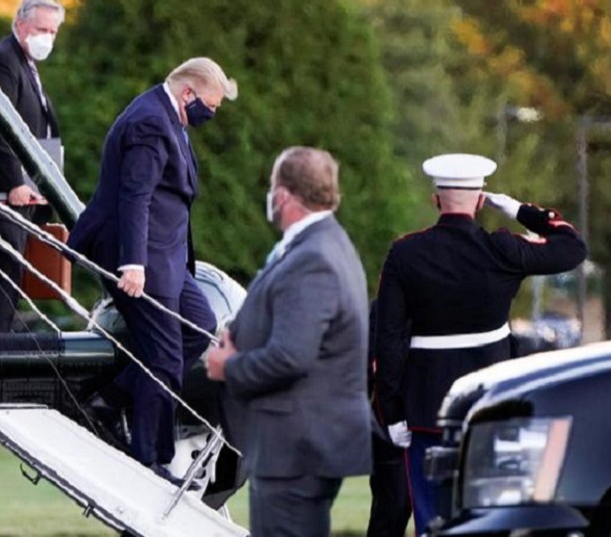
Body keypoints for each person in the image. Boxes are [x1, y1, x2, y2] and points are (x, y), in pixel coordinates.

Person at [373, 153, 587, 536]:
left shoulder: (405, 253)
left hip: (426, 409)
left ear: (435, 199)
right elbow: (572, 247)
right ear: (480, 199)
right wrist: (522, 210)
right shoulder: (503, 249)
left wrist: (390, 412)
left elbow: (387, 339)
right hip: (492, 405)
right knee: (488, 520)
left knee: (432, 521)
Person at [68, 57, 237, 483]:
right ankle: (148, 461)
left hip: (169, 258)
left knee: (200, 325)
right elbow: (135, 196)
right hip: (140, 257)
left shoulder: (169, 118)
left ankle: (111, 398)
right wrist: (133, 263)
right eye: (211, 106)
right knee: (161, 357)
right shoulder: (149, 122)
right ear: (187, 93)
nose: (211, 115)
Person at [207, 147, 371, 537]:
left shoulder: (313, 257)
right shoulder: (321, 243)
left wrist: (227, 365)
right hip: (298, 441)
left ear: (283, 195)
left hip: (295, 446)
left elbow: (291, 356)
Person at [0, 0, 65, 334]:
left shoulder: (27, 66)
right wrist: (13, 183)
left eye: (52, 31)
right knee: (2, 269)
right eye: (41, 29)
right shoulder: (4, 60)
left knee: (13, 273)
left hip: (25, 192)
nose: (47, 38)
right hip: (2, 193)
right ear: (20, 25)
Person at [366, 301, 411, 537]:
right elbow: (369, 362)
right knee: (392, 511)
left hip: (427, 415)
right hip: (390, 426)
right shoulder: (384, 307)